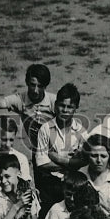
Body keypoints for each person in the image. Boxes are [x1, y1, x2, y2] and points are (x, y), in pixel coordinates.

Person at [33, 82, 85, 211]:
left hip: (73, 184)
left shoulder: (81, 131)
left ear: (76, 108)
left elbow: (84, 161)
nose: (65, 111)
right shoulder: (45, 129)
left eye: (70, 107)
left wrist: (58, 159)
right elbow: (42, 163)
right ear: (56, 105)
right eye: (62, 106)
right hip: (51, 183)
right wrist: (72, 164)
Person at [0, 63, 56, 151]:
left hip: (57, 147)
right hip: (37, 150)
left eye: (40, 86)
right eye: (32, 85)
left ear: (45, 86)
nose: (35, 90)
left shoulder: (54, 101)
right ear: (27, 82)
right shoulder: (20, 99)